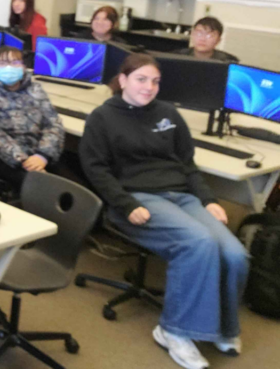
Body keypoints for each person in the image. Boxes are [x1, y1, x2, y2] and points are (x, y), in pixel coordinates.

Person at [80, 53, 247, 369]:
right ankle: (173, 330)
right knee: (198, 243)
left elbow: (187, 165)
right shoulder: (103, 117)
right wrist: (127, 204)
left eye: (155, 81)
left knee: (234, 254)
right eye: (141, 79)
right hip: (136, 200)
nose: (149, 87)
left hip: (181, 196)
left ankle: (222, 327)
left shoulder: (168, 113)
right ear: (124, 79)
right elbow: (96, 169)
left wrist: (209, 199)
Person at [0, 45, 66, 191]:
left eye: (15, 62)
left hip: (39, 154)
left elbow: (53, 124)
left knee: (67, 187)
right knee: (44, 189)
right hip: (5, 158)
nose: (9, 67)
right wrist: (25, 161)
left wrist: (43, 155)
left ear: (24, 66)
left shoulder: (35, 89)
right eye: (2, 63)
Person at [174, 16, 239, 62]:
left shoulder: (228, 61)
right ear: (192, 35)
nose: (202, 39)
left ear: (218, 40)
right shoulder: (176, 57)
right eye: (199, 33)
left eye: (209, 35)